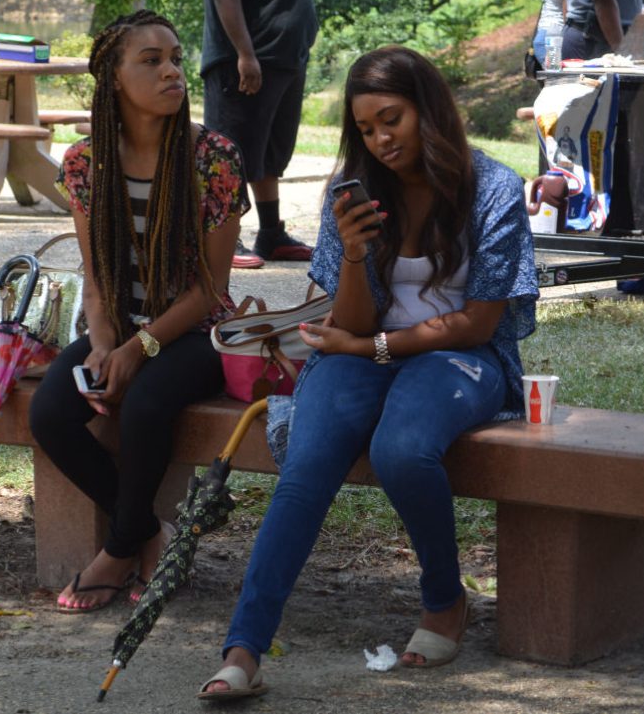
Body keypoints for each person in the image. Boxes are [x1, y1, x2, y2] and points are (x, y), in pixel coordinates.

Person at [197, 46, 539, 699]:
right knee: (307, 462)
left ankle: (444, 598)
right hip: (361, 351)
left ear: (428, 111)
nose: (381, 139)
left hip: (459, 359)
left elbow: (476, 323)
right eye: (367, 128)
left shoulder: (490, 188)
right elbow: (348, 322)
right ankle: (244, 647)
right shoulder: (353, 193)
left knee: (402, 450)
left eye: (392, 119)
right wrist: (354, 255)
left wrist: (373, 347)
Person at [29, 11, 248, 613]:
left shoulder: (215, 158)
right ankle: (152, 533)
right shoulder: (84, 162)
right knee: (50, 413)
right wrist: (104, 346)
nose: (172, 71)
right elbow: (96, 279)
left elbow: (209, 288)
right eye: (150, 61)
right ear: (114, 80)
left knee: (147, 404)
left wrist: (138, 349)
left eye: (175, 57)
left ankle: (118, 548)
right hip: (119, 328)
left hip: (199, 331)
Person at [201, 0, 319, 268]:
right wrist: (245, 55)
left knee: (269, 151)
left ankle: (271, 234)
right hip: (245, 60)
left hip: (284, 58)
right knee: (228, 151)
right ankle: (220, 236)